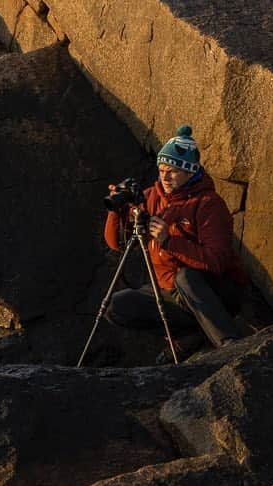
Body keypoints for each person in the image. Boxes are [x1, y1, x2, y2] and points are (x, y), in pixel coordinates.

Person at [104, 125, 249, 357]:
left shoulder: (209, 204)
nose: (165, 177)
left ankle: (230, 345)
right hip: (172, 291)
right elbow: (115, 244)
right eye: (161, 170)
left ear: (190, 171)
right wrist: (116, 210)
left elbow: (218, 261)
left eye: (172, 171)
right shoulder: (152, 196)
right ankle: (193, 333)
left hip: (217, 291)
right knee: (117, 306)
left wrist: (169, 241)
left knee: (186, 276)